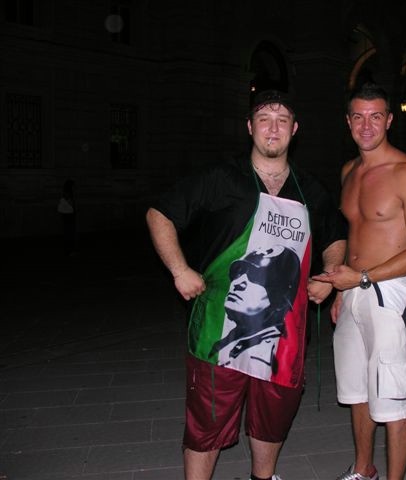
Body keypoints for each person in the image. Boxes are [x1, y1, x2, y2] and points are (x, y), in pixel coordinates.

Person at [146, 89, 346, 480]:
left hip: (284, 339)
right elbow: (160, 214)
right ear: (250, 127)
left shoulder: (310, 189)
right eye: (264, 119)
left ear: (295, 129)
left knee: (273, 421)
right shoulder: (221, 177)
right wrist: (179, 270)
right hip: (216, 331)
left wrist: (330, 274)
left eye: (282, 120)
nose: (273, 128)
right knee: (206, 425)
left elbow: (334, 234)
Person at [313, 82, 406, 480]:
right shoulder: (348, 171)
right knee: (357, 391)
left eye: (375, 116)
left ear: (389, 120)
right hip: (353, 291)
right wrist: (342, 288)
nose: (366, 126)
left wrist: (363, 277)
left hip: (390, 293)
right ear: (348, 122)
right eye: (358, 117)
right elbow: (353, 235)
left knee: (393, 400)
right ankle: (363, 470)